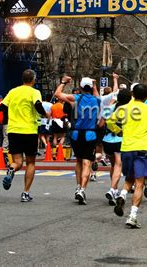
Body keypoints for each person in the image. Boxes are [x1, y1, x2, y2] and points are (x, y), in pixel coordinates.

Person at [108, 84, 147, 229]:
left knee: (129, 177)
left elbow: (110, 121)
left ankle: (122, 195)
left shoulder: (124, 108)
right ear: (146, 97)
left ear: (132, 94)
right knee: (139, 182)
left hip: (126, 148)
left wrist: (119, 131)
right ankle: (132, 216)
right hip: (142, 148)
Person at [0, 70, 50, 202]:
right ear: (33, 79)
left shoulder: (13, 91)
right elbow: (38, 105)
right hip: (29, 130)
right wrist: (45, 114)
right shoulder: (34, 92)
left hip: (13, 130)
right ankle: (25, 193)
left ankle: (11, 170)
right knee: (31, 162)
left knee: (17, 162)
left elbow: (2, 107)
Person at [55, 76, 100, 205]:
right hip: (90, 134)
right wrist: (95, 86)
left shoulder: (76, 98)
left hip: (75, 134)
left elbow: (57, 94)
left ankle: (78, 186)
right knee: (87, 163)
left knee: (79, 161)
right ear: (91, 88)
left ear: (80, 87)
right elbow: (97, 96)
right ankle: (82, 189)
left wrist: (63, 82)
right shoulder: (97, 100)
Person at [100, 88, 132, 206]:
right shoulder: (130, 110)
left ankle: (114, 189)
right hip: (120, 139)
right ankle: (113, 189)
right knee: (119, 165)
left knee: (113, 165)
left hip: (107, 140)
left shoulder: (109, 108)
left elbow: (101, 124)